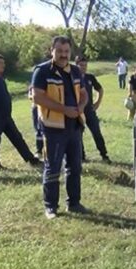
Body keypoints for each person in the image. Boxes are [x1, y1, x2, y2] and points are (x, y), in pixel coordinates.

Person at [32, 36, 89, 219]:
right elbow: (38, 98)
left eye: (66, 51)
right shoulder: (42, 71)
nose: (64, 55)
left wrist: (80, 108)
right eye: (60, 51)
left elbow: (84, 94)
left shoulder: (75, 71)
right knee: (53, 167)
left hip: (74, 127)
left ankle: (74, 203)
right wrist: (64, 110)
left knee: (75, 167)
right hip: (53, 128)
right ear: (52, 50)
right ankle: (50, 206)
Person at [0, 54, 41, 170]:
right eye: (0, 63)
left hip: (6, 116)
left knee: (17, 138)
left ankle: (31, 160)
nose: (3, 65)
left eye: (3, 63)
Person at [76, 56, 110, 163]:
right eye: (81, 65)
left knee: (96, 132)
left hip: (89, 110)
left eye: (85, 65)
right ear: (76, 65)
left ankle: (104, 155)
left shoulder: (90, 77)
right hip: (78, 111)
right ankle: (82, 157)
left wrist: (97, 103)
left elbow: (100, 89)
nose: (84, 67)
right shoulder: (72, 78)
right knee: (78, 135)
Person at [29, 85, 45, 159]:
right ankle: (39, 151)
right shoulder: (36, 78)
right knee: (38, 130)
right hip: (36, 108)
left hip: (47, 108)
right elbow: (30, 95)